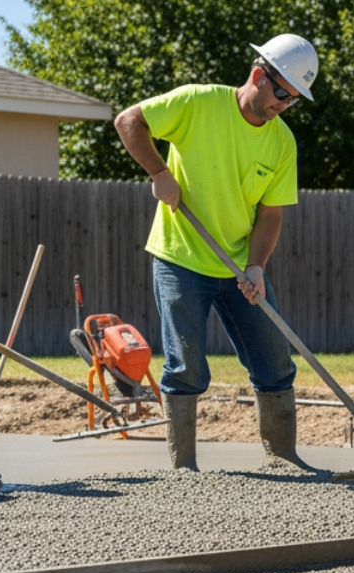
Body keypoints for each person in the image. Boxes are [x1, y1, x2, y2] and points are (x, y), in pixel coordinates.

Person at [113, 34, 318, 471]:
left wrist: (257, 266)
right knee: (186, 363)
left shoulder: (282, 143)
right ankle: (183, 467)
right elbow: (128, 121)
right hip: (181, 257)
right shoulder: (198, 103)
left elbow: (270, 214)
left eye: (294, 99)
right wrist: (160, 172)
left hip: (239, 267)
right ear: (258, 75)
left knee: (274, 358)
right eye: (281, 92)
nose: (283, 104)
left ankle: (282, 458)